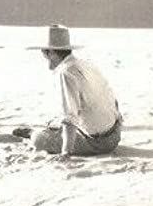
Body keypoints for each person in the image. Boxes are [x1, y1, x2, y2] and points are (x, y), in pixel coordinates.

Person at [21, 24, 122, 156]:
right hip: (115, 133)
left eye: (44, 53)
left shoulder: (66, 72)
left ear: (50, 53)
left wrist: (66, 152)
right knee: (57, 123)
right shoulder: (86, 64)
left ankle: (33, 133)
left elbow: (70, 117)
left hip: (99, 143)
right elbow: (112, 98)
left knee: (39, 139)